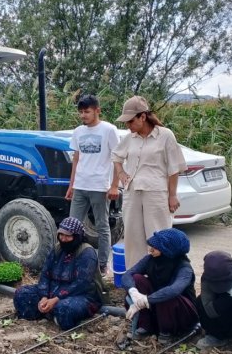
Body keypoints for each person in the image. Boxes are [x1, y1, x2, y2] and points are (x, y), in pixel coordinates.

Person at [108, 95, 187, 269]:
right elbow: (116, 156)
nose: (127, 126)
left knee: (158, 236)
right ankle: (135, 279)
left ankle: (160, 277)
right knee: (133, 237)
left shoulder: (165, 135)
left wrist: (172, 195)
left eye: (130, 121)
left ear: (142, 117)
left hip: (156, 193)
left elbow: (174, 168)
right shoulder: (130, 138)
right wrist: (121, 173)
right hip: (132, 192)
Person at [13, 217, 102, 330]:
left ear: (77, 236)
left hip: (80, 295)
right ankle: (48, 313)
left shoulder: (87, 253)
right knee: (22, 294)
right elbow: (45, 274)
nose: (63, 239)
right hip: (53, 290)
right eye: (61, 235)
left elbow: (82, 284)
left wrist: (56, 299)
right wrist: (44, 296)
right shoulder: (57, 249)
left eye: (68, 236)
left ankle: (53, 314)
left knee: (64, 308)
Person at [65, 94, 119, 275]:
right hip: (80, 185)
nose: (83, 115)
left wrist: (114, 186)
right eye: (80, 112)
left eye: (86, 111)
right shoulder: (78, 131)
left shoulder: (109, 130)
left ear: (97, 110)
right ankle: (71, 260)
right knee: (71, 225)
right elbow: (76, 159)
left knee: (102, 226)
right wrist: (71, 185)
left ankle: (103, 264)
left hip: (99, 185)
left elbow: (118, 159)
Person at [122, 228, 198, 344]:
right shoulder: (150, 259)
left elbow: (174, 290)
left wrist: (146, 300)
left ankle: (166, 332)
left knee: (166, 294)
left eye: (156, 247)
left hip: (181, 313)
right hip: (158, 306)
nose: (150, 249)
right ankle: (146, 325)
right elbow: (128, 275)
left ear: (169, 250)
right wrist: (134, 292)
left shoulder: (184, 268)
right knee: (137, 279)